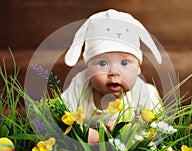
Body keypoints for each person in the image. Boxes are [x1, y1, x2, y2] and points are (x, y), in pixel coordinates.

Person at [62, 9, 163, 144]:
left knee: (153, 104)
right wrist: (84, 132)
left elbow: (152, 125)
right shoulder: (80, 84)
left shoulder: (139, 91)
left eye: (124, 62)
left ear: (138, 68)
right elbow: (61, 113)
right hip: (93, 138)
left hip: (132, 125)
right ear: (89, 69)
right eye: (103, 63)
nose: (114, 71)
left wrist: (130, 128)